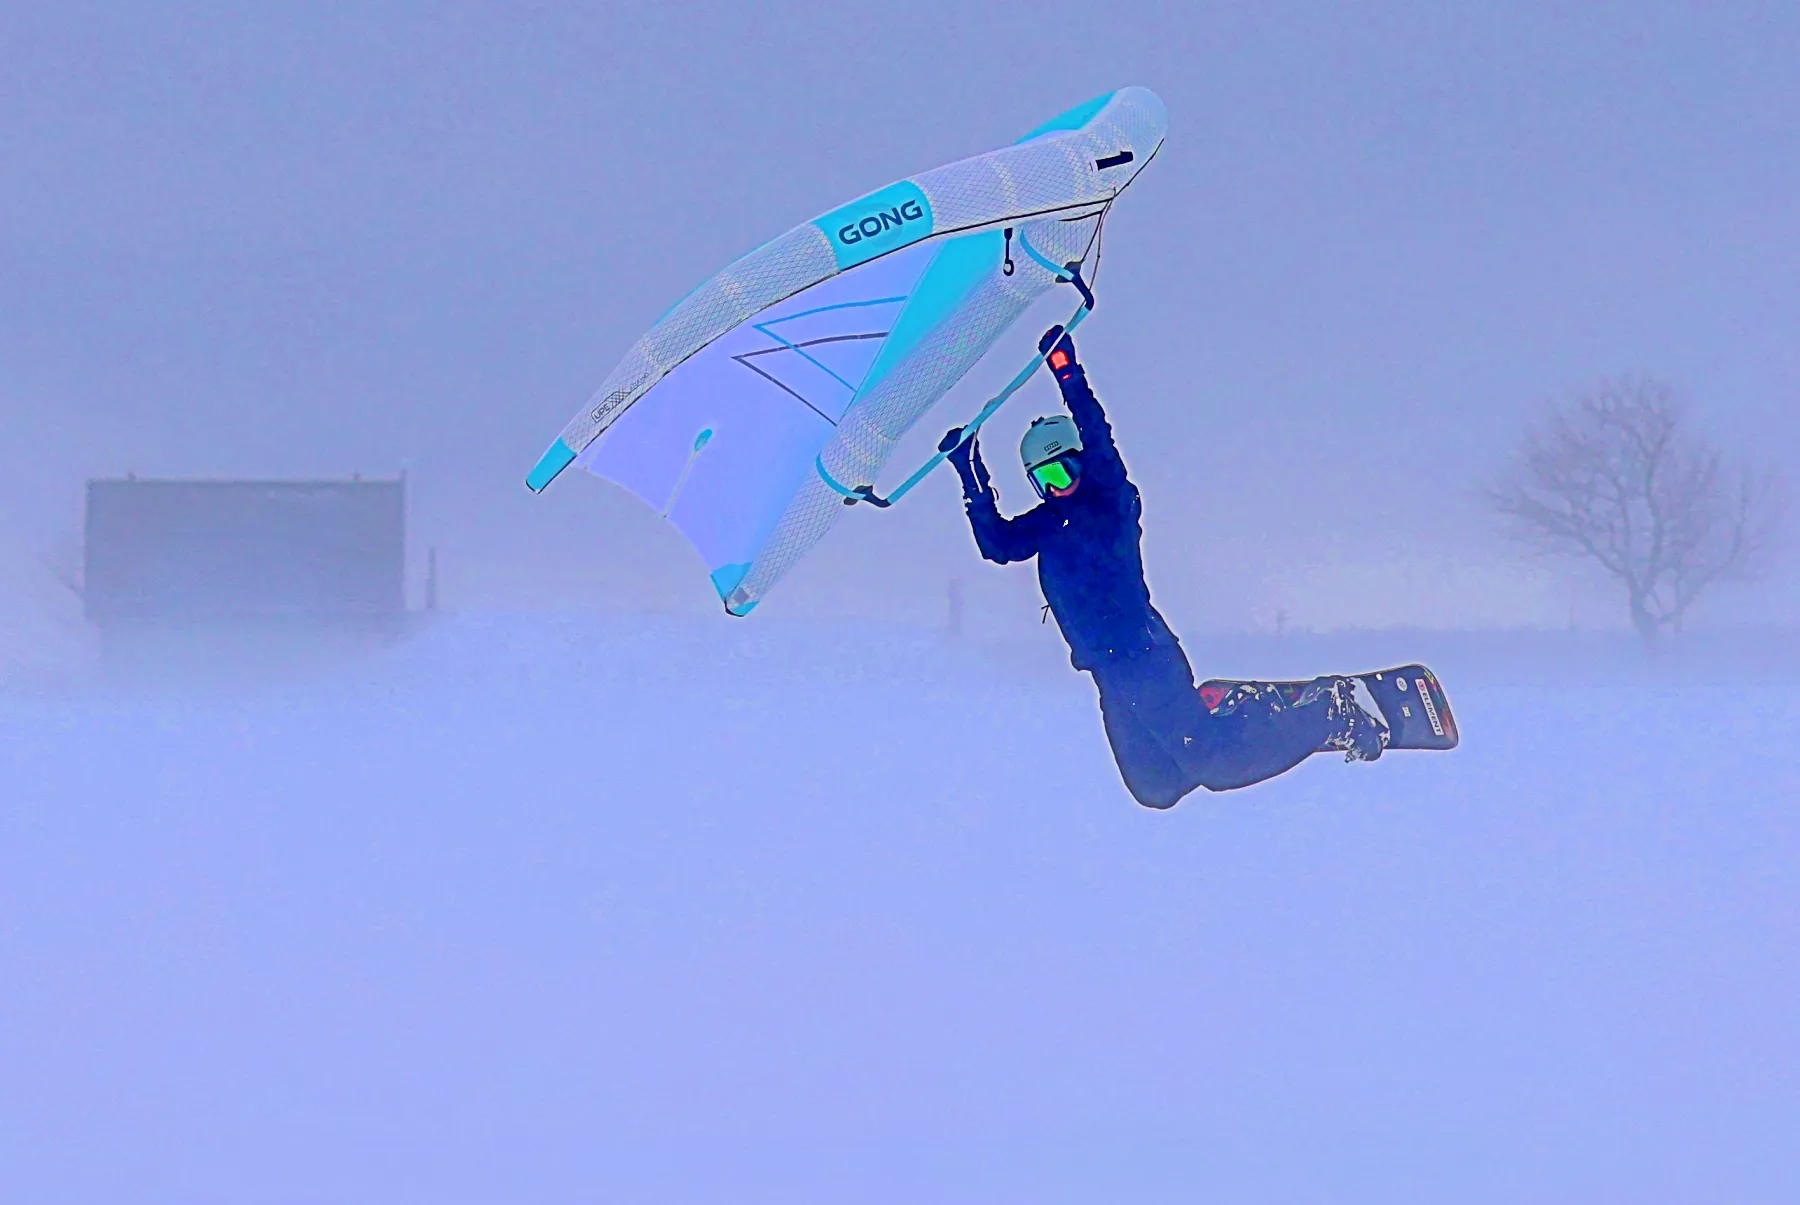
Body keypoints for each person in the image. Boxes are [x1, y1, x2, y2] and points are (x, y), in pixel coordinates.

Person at [940, 326, 1389, 808]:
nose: (1058, 486)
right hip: (1108, 673)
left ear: (1082, 464)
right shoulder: (1048, 523)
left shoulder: (1112, 500)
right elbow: (997, 544)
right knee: (1156, 787)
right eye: (1045, 479)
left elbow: (1098, 435)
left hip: (1144, 656)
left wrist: (1067, 373)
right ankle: (1228, 721)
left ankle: (1331, 712)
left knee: (1214, 766)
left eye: (1065, 470)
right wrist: (969, 471)